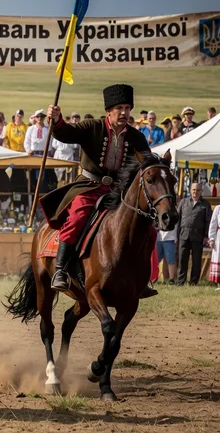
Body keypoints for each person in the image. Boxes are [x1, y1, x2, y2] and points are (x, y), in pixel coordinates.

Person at [38, 84, 157, 297]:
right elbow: (66, 133)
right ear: (108, 111)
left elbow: (147, 163)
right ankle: (61, 271)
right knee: (76, 218)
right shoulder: (92, 127)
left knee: (148, 229)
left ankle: (140, 278)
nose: (124, 112)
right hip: (89, 186)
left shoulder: (137, 138)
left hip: (119, 194)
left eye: (127, 108)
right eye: (119, 108)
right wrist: (57, 120)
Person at [176, 182, 212, 286]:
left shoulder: (205, 204)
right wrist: (176, 236)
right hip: (183, 235)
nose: (195, 192)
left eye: (197, 190)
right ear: (190, 190)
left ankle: (193, 282)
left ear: (201, 192)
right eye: (193, 190)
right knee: (182, 259)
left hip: (198, 236)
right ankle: (180, 282)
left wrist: (206, 236)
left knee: (196, 261)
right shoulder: (183, 202)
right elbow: (178, 219)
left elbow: (208, 221)